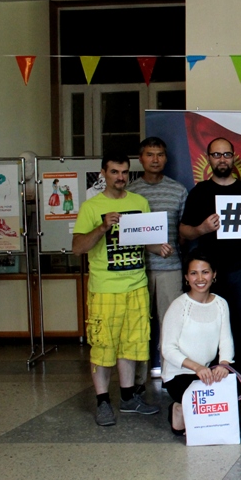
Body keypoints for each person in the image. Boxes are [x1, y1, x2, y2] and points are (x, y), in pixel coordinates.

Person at [72, 150, 160, 426]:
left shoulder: (140, 202)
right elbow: (77, 249)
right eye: (114, 172)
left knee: (131, 346)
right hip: (105, 288)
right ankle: (102, 402)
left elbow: (146, 240)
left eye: (124, 172)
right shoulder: (91, 207)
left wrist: (160, 246)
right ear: (103, 174)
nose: (120, 177)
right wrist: (102, 227)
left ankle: (128, 398)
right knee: (102, 347)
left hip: (136, 285)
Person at [179, 137, 241, 376]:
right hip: (210, 274)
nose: (222, 159)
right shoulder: (200, 192)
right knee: (211, 329)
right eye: (217, 155)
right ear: (209, 159)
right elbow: (183, 230)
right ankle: (214, 379)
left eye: (227, 155)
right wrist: (201, 229)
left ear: (234, 157)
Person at [128, 136, 188, 384]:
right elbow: (124, 234)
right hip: (134, 270)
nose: (155, 159)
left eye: (160, 154)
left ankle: (169, 376)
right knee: (138, 327)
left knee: (170, 326)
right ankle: (137, 380)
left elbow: (183, 232)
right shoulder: (130, 191)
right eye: (150, 154)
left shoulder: (178, 190)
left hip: (170, 269)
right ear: (141, 158)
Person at [160, 250, 235, 436]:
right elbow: (167, 349)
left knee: (230, 390)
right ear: (186, 277)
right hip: (180, 374)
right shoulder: (179, 306)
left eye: (205, 272)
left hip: (206, 372)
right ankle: (179, 408)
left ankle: (186, 411)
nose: (200, 278)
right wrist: (197, 368)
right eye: (193, 273)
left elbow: (226, 340)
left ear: (214, 274)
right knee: (205, 400)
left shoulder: (221, 304)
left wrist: (224, 364)